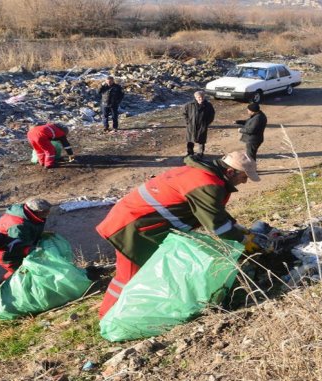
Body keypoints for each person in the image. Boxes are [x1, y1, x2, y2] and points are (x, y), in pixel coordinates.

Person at [95, 150, 262, 317]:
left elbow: (211, 210)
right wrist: (242, 241)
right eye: (244, 176)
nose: (245, 182)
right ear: (230, 172)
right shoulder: (207, 184)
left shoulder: (203, 174)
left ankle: (140, 310)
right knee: (128, 275)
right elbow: (217, 226)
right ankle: (108, 317)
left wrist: (237, 227)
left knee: (154, 271)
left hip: (139, 223)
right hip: (131, 227)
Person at [0, 198, 52, 278]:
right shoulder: (18, 225)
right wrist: (33, 250)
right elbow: (15, 245)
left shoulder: (29, 215)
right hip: (7, 254)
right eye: (46, 212)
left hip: (17, 247)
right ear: (38, 212)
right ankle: (5, 288)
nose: (48, 213)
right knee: (21, 273)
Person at [183, 90, 216, 158]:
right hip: (191, 125)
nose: (200, 99)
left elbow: (212, 115)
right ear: (195, 97)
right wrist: (188, 122)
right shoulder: (189, 105)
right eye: (199, 97)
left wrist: (206, 123)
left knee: (201, 140)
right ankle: (190, 152)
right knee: (190, 140)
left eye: (202, 97)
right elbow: (184, 114)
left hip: (202, 125)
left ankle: (200, 154)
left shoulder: (208, 105)